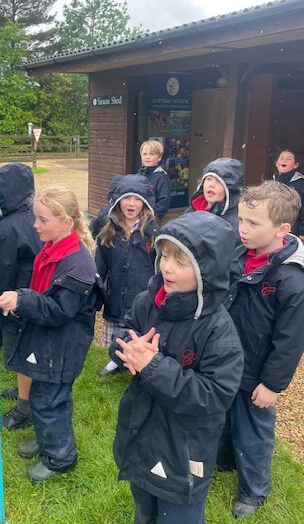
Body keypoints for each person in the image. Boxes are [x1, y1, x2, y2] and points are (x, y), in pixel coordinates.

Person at [110, 211, 243, 524]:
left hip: (184, 449)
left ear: (206, 271)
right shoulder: (148, 301)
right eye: (164, 254)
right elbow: (123, 333)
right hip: (139, 430)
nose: (167, 266)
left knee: (179, 515)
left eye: (181, 262)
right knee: (143, 505)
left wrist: (153, 366)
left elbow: (214, 395)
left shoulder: (218, 331)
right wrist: (127, 350)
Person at [0, 186, 104, 482]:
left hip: (63, 346)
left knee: (48, 399)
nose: (35, 225)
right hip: (49, 340)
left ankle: (60, 457)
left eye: (43, 220)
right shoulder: (56, 246)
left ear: (67, 221)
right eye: (36, 218)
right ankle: (48, 440)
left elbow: (59, 311)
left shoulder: (77, 266)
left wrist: (22, 300)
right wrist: (24, 299)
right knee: (47, 395)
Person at [217, 181, 304, 518]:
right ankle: (223, 460)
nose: (243, 229)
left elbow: (290, 341)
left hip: (258, 373)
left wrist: (272, 385)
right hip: (227, 361)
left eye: (253, 224)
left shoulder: (292, 280)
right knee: (224, 417)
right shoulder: (240, 254)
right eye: (241, 220)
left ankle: (253, 490)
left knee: (253, 432)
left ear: (282, 229)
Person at [0, 162, 42, 430]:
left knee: (21, 352)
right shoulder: (37, 216)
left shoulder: (8, 227)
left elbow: (3, 270)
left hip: (18, 301)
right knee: (27, 349)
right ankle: (25, 390)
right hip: (35, 295)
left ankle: (25, 407)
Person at [95, 174, 158, 376]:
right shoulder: (108, 230)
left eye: (137, 199)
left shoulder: (154, 233)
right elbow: (100, 267)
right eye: (126, 198)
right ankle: (115, 360)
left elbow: (159, 267)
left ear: (146, 203)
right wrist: (96, 293)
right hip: (116, 293)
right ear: (117, 201)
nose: (131, 204)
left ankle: (140, 365)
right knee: (117, 331)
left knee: (138, 331)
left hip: (142, 294)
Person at [186, 157, 244, 241]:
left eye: (219, 181)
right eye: (209, 179)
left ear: (231, 189)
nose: (211, 185)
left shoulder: (235, 224)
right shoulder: (192, 209)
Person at [272, 148, 304, 239]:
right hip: (274, 227)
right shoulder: (272, 182)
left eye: (289, 159)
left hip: (293, 230)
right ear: (276, 163)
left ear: (295, 165)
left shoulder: (300, 184)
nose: (285, 160)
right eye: (281, 158)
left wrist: (302, 231)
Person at [136, 139, 170, 222]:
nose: (147, 157)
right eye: (144, 154)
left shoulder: (161, 176)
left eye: (151, 154)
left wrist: (150, 217)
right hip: (136, 216)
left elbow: (163, 202)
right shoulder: (138, 174)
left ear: (159, 157)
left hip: (151, 219)